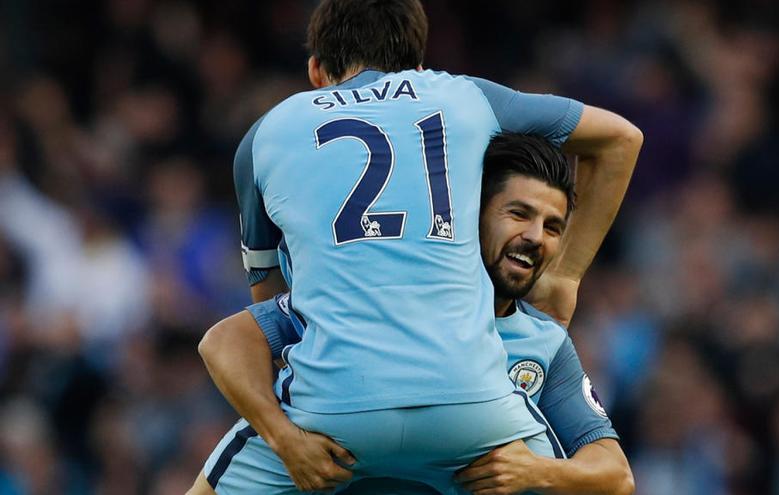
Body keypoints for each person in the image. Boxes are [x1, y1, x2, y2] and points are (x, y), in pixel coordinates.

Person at [229, 0, 642, 490]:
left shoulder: (264, 134)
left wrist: (284, 433)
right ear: (421, 65)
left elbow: (267, 313)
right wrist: (565, 276)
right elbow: (621, 138)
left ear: (316, 71)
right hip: (476, 410)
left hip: (334, 411)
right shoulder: (464, 96)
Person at [190, 133, 635, 495]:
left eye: (552, 226)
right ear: (469, 216)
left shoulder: (545, 341)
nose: (536, 237)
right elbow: (225, 340)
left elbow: (614, 474)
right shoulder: (381, 299)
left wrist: (537, 472)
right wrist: (283, 439)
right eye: (518, 214)